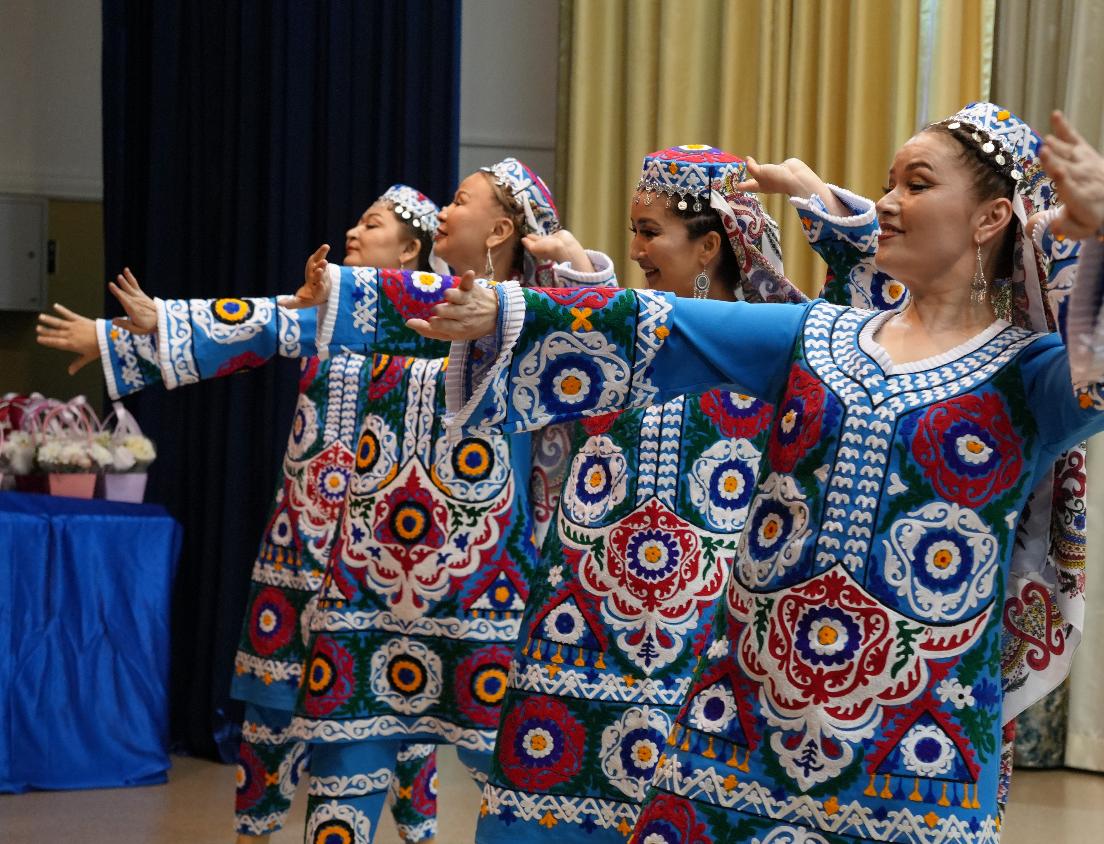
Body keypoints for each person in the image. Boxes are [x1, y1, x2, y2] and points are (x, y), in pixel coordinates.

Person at [408, 104, 1104, 842]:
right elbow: (655, 325)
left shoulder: (1029, 376)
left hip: (917, 751)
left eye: (917, 185)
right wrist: (502, 309)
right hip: (741, 722)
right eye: (889, 184)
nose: (888, 204)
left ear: (991, 217)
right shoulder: (816, 336)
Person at [82, 158, 615, 844]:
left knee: (515, 785)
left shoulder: (526, 323)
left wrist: (579, 269)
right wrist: (157, 323)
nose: (446, 210)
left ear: (500, 231)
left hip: (484, 595)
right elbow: (278, 322)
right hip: (367, 584)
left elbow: (602, 350)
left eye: (460, 200)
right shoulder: (406, 305)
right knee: (338, 772)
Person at [37, 185, 446, 844]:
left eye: (372, 225)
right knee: (270, 701)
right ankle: (253, 831)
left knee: (387, 705)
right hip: (302, 537)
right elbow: (252, 327)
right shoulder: (326, 314)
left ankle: (410, 829)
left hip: (388, 556)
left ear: (411, 250)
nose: (353, 232)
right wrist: (119, 337)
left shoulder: (439, 320)